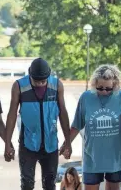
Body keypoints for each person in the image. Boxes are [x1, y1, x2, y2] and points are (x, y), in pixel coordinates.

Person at [60, 64, 121, 190]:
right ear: (94, 83)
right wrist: (67, 144)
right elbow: (76, 125)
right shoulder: (86, 98)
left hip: (116, 155)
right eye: (100, 88)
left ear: (116, 85)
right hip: (92, 155)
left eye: (108, 89)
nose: (104, 91)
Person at [4, 58, 71, 190]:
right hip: (28, 144)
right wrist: (7, 143)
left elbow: (63, 113)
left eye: (43, 81)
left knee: (50, 184)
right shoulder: (19, 86)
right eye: (36, 81)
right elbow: (11, 115)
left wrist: (67, 141)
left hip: (50, 144)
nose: (40, 84)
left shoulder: (57, 85)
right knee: (27, 183)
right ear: (30, 74)